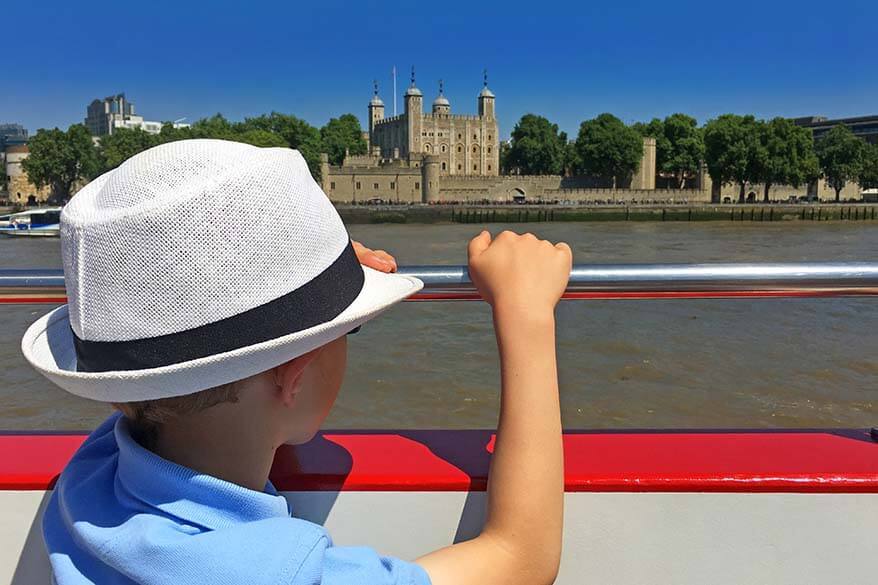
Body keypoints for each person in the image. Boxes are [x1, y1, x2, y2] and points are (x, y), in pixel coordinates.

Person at [22, 139, 571, 585]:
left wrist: (300, 270)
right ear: (296, 374)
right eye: (349, 328)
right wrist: (526, 315)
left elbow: (161, 359)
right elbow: (520, 557)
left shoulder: (90, 483)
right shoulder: (281, 576)